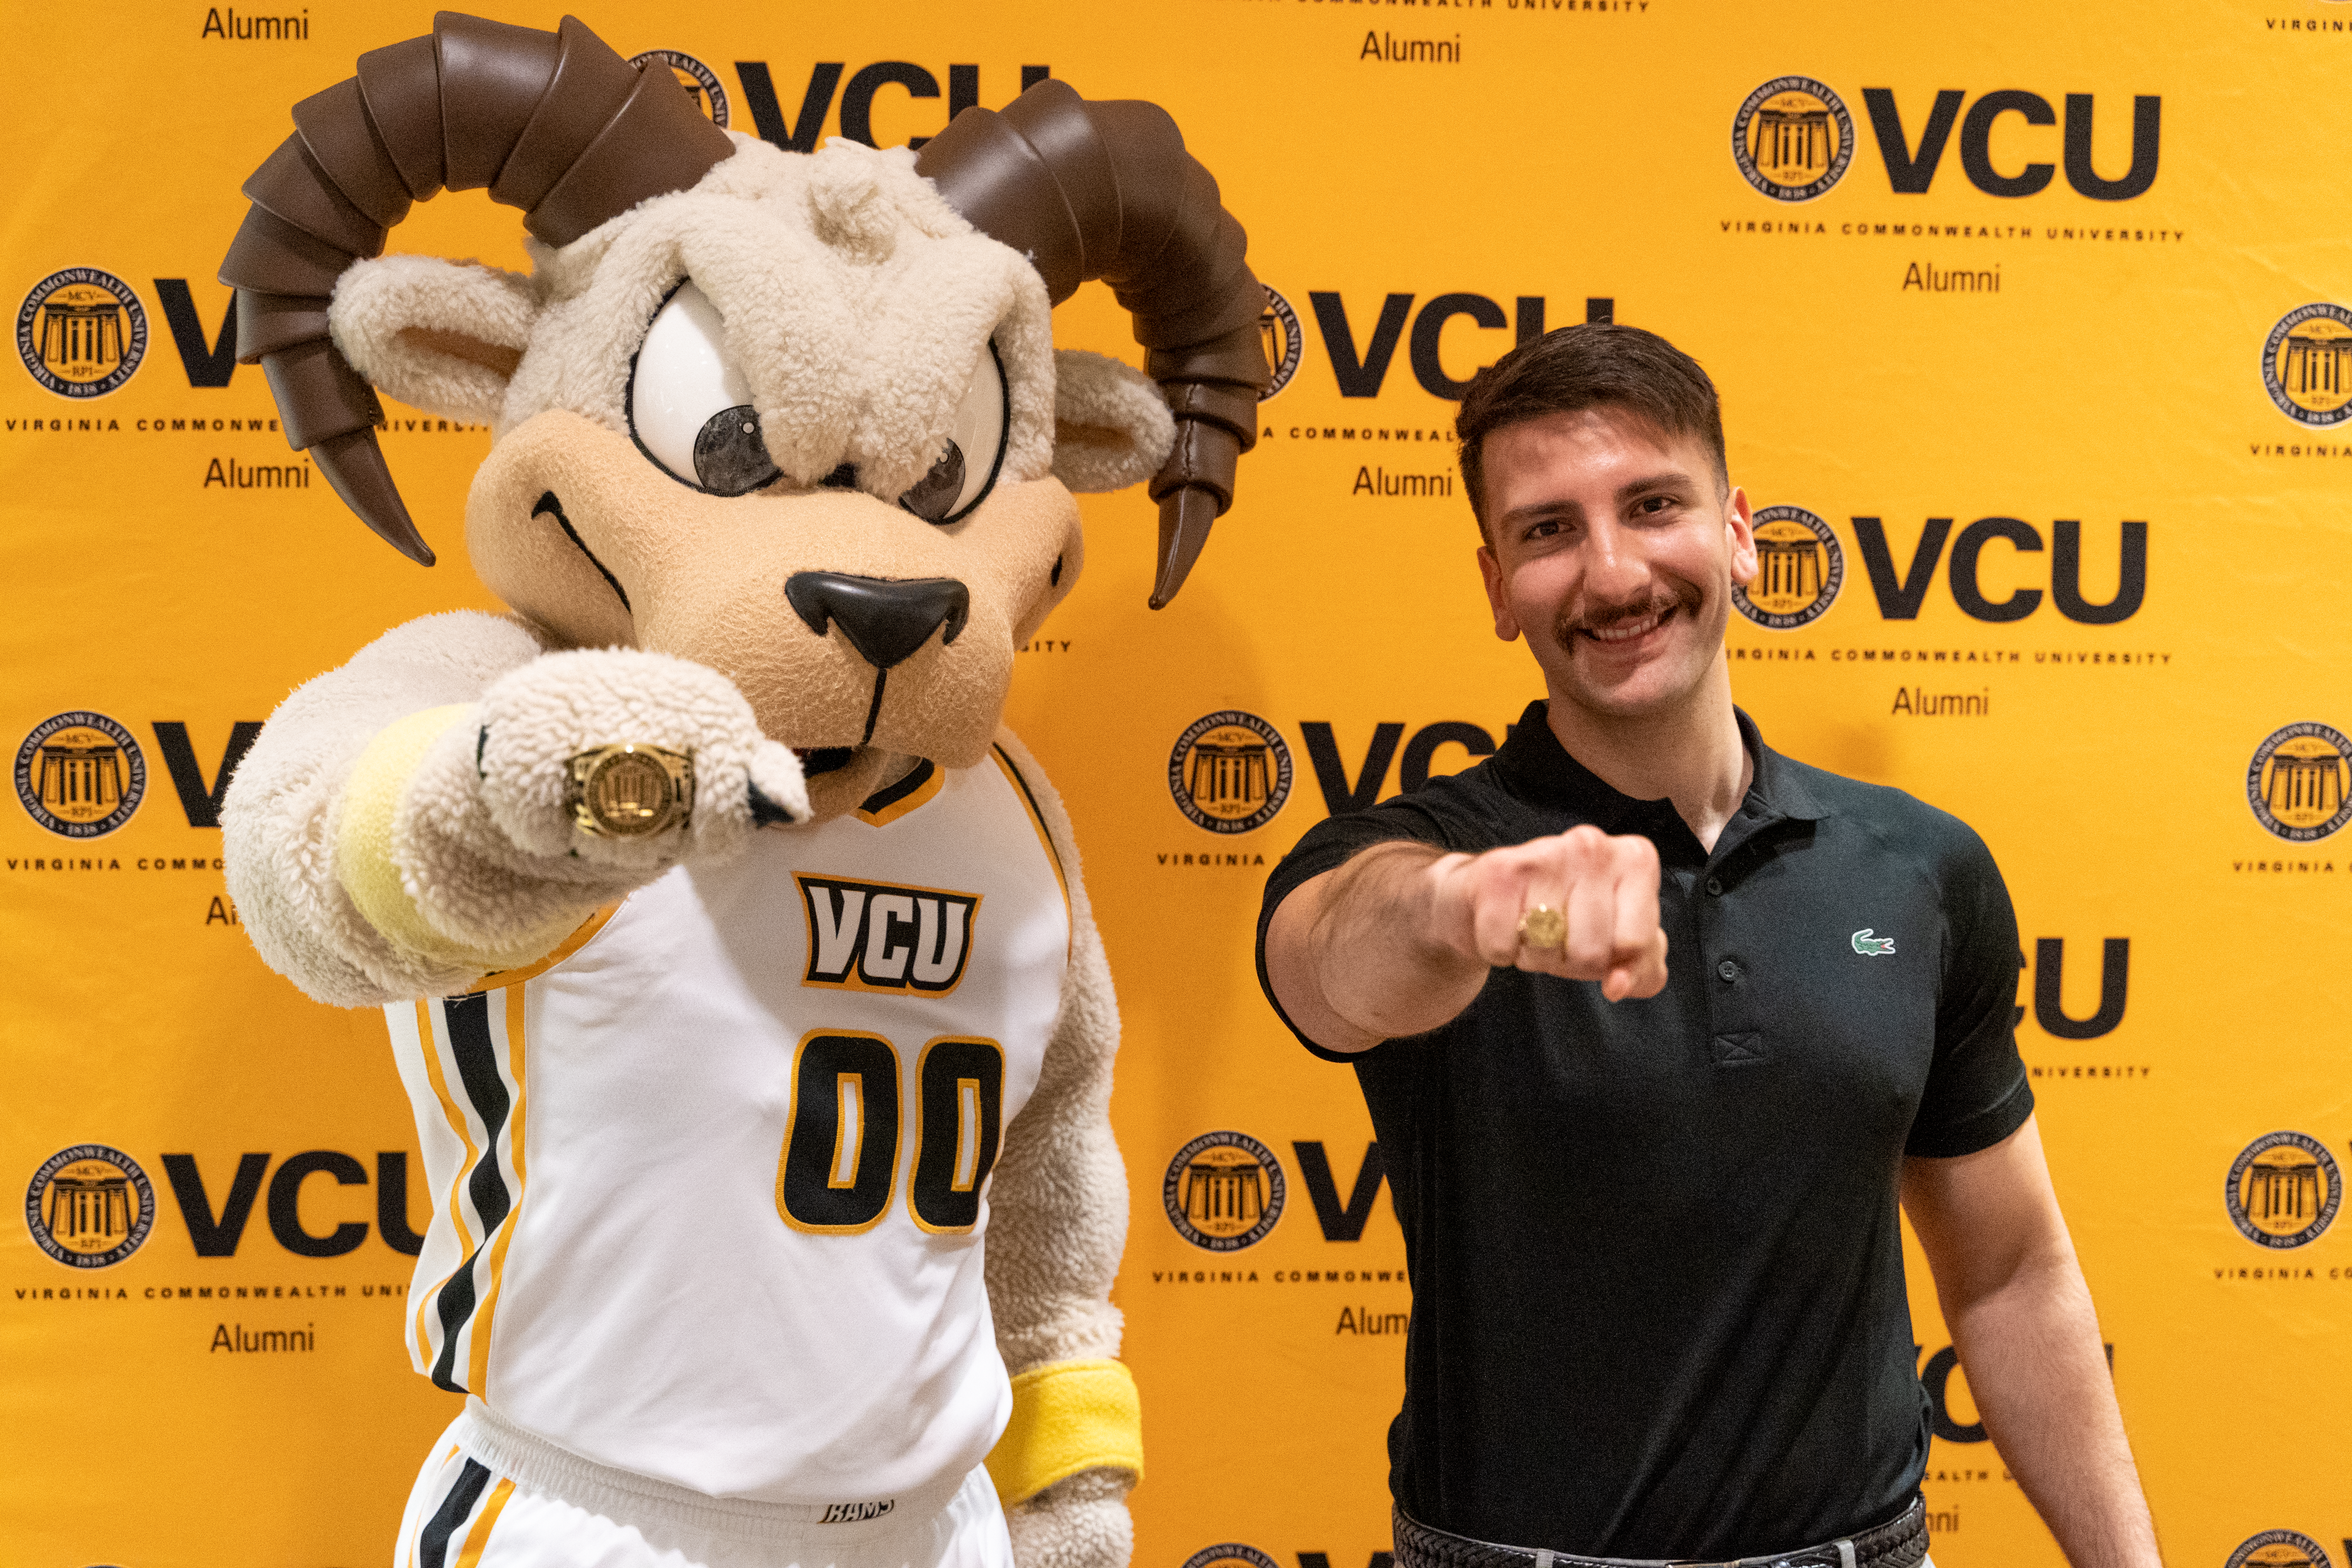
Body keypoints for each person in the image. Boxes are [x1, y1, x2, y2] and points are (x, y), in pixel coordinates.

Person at [1255, 325, 2161, 1568]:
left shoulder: (1917, 869)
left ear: (1736, 530)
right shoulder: (1425, 854)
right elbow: (1328, 966)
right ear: (1494, 586)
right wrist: (1458, 909)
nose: (1613, 573)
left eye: (1650, 506)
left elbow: (2008, 1274)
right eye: (1546, 530)